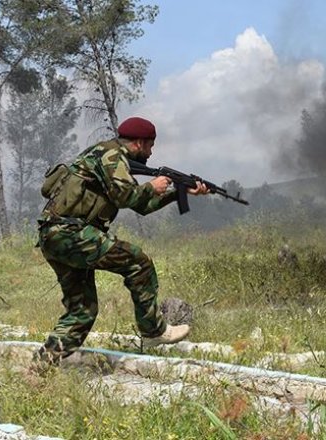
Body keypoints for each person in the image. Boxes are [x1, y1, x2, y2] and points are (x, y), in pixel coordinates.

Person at [34, 116, 209, 365]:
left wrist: (177, 194)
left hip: (55, 236)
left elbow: (142, 205)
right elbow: (128, 196)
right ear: (138, 142)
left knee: (82, 311)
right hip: (70, 233)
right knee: (139, 262)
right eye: (150, 146)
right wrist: (153, 186)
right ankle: (153, 331)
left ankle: (38, 368)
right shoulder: (111, 155)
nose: (150, 152)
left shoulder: (108, 155)